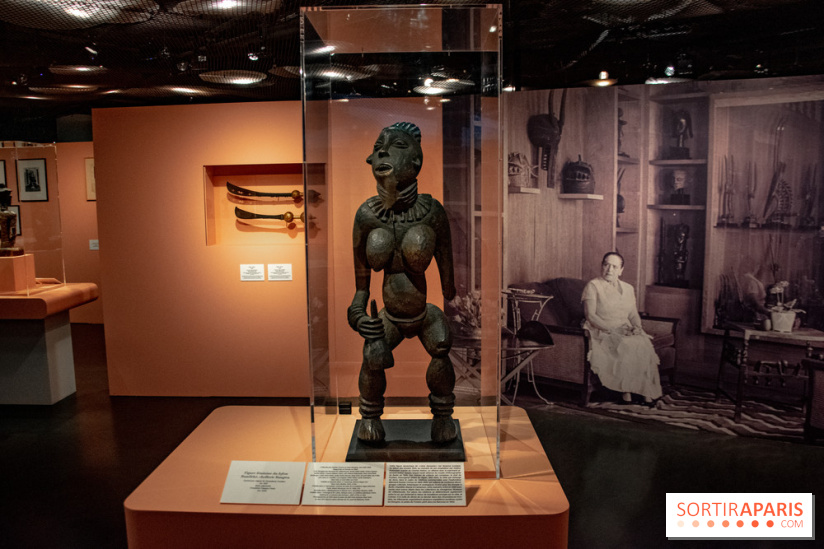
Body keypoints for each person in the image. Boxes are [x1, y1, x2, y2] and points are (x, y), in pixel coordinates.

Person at [348, 121, 457, 443]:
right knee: (372, 357)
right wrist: (358, 316)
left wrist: (456, 305)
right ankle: (370, 418)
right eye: (378, 147)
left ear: (416, 162)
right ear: (371, 162)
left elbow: (449, 279)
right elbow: (360, 288)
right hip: (389, 316)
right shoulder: (366, 216)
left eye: (396, 146)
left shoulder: (432, 213)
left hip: (423, 314)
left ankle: (443, 418)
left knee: (440, 347)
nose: (381, 151)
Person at [582, 252, 662, 405]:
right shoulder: (593, 286)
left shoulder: (628, 288)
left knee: (643, 343)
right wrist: (612, 330)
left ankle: (646, 392)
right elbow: (590, 316)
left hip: (624, 328)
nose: (609, 269)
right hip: (601, 329)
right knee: (627, 344)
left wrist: (638, 327)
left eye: (614, 266)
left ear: (621, 270)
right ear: (601, 266)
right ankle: (626, 392)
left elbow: (632, 314)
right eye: (606, 264)